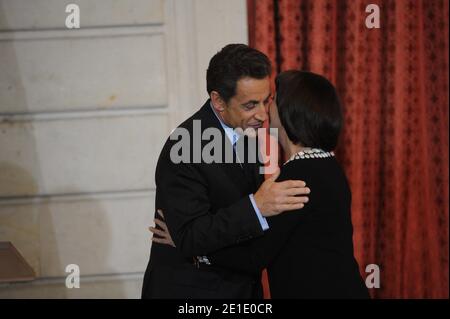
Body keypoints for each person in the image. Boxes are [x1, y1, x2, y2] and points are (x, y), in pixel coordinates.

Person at [152, 70, 370, 298]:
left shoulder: (298, 176)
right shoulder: (325, 165)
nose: (263, 110)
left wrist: (187, 243)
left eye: (271, 100)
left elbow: (254, 256)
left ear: (290, 111)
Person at [141, 45, 310, 298]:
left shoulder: (248, 133)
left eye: (267, 101)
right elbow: (189, 236)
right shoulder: (185, 144)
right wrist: (256, 206)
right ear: (218, 101)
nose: (263, 114)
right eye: (251, 104)